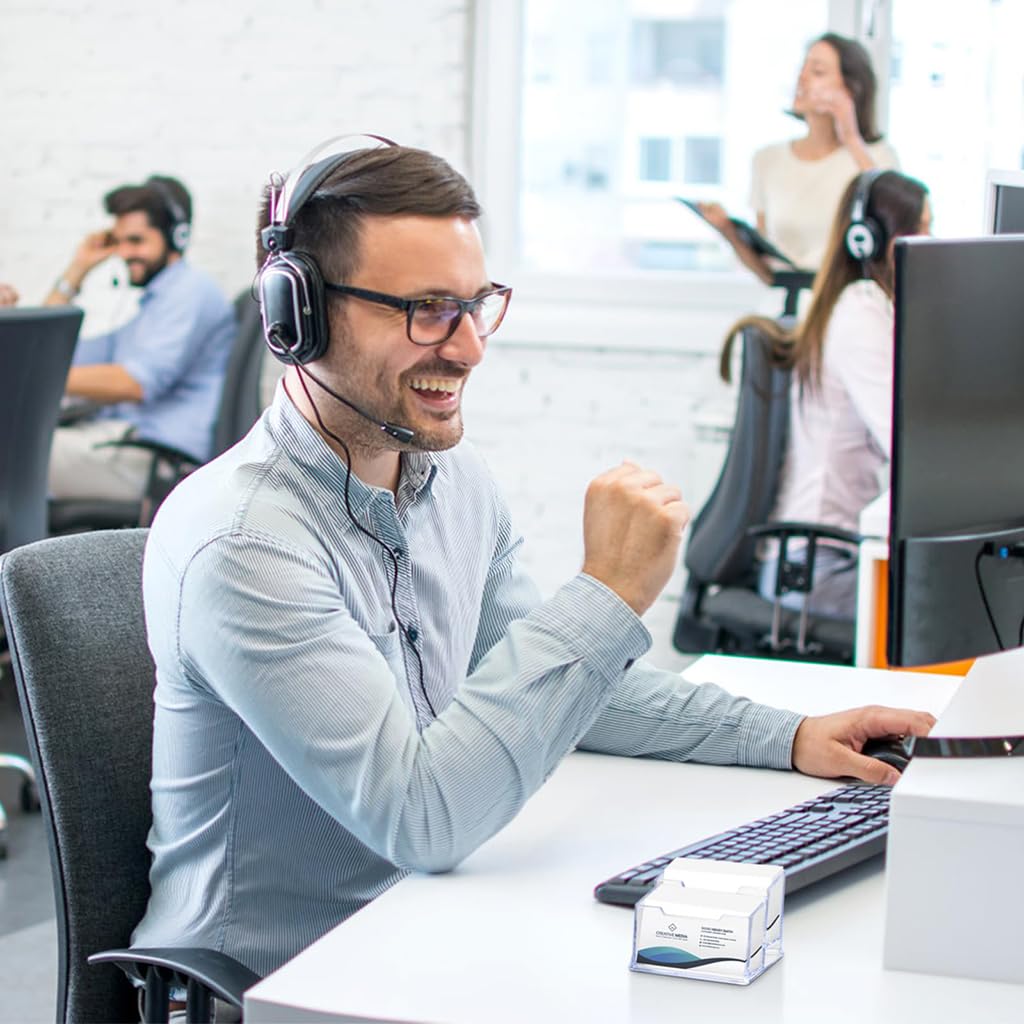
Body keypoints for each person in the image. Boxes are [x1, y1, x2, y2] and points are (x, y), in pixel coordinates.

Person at [131, 143, 935, 978]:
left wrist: (790, 736)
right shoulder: (245, 544)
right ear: (297, 314)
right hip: (284, 985)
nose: (470, 348)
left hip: (429, 931)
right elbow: (422, 817)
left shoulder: (452, 481)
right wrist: (608, 592)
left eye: (477, 305)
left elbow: (570, 692)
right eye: (429, 310)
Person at [721, 169, 932, 620]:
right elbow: (910, 445)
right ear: (873, 241)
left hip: (830, 557)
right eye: (924, 228)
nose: (933, 241)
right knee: (951, 609)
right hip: (813, 567)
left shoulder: (868, 307)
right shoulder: (860, 312)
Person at [44, 176, 235, 501]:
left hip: (156, 458)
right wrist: (78, 269)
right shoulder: (150, 310)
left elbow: (135, 383)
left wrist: (37, 380)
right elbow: (50, 350)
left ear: (177, 237)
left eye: (136, 240)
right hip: (120, 442)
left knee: (14, 454)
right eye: (118, 241)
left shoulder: (190, 292)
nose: (124, 252)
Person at [701, 33, 900, 280]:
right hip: (785, 309)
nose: (802, 78)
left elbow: (892, 222)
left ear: (851, 89)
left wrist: (851, 138)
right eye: (802, 68)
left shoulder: (876, 158)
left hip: (847, 308)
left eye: (817, 72)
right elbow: (769, 274)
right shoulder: (767, 160)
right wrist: (728, 232)